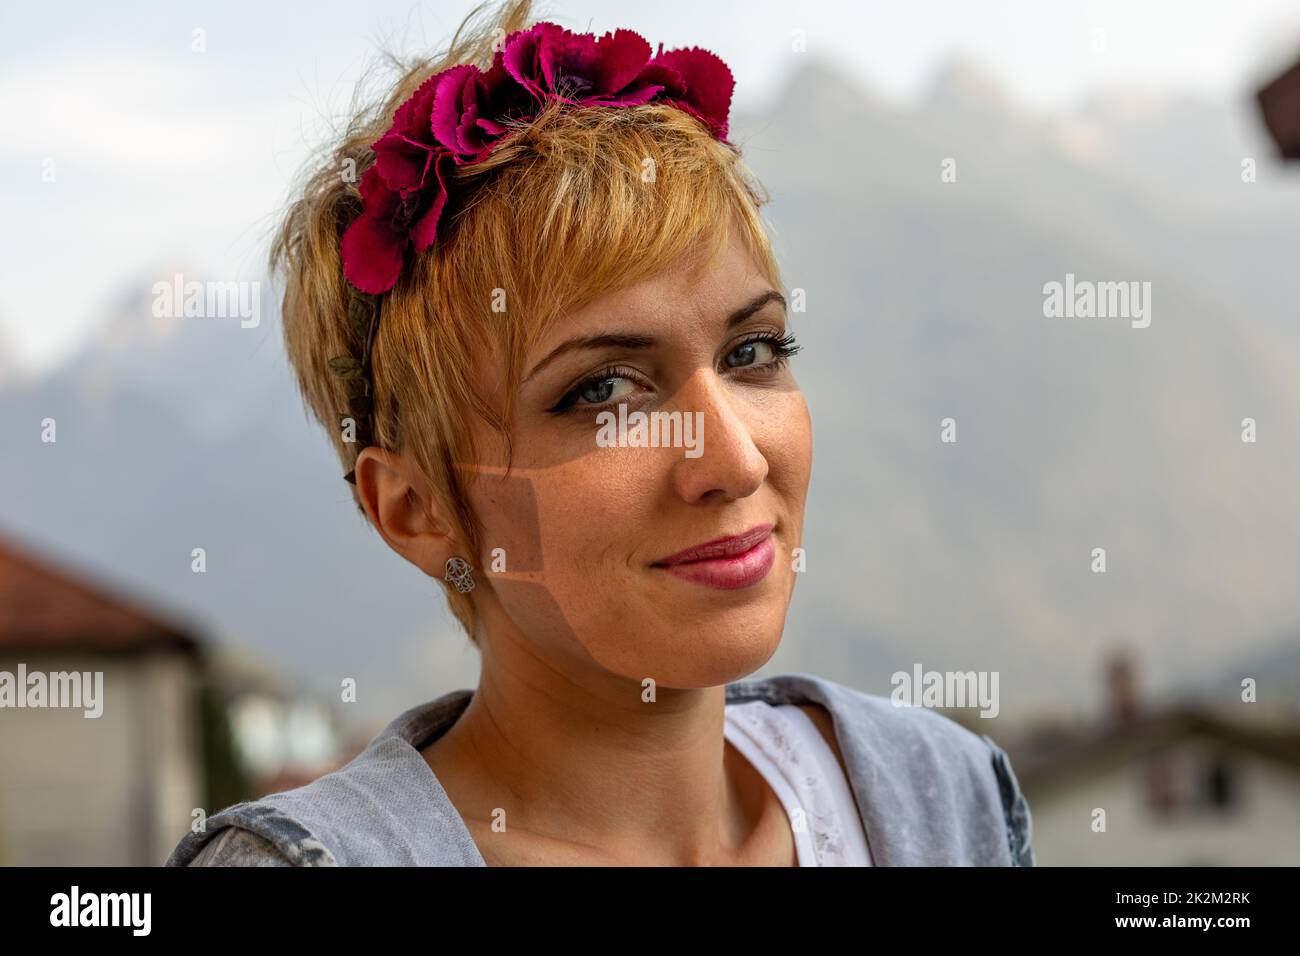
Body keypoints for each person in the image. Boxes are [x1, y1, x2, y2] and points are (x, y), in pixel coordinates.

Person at [166, 0, 1033, 867]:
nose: (733, 460)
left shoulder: (940, 800)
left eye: (753, 351)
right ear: (417, 509)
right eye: (605, 390)